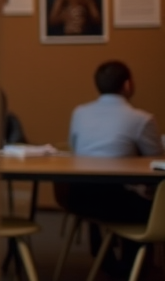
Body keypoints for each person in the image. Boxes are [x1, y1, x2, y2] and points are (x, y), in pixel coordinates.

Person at [57, 61, 163, 268]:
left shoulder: (79, 112)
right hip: (119, 203)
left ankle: (103, 256)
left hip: (77, 197)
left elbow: (75, 149)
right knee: (147, 201)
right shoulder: (142, 119)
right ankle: (134, 267)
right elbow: (156, 159)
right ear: (127, 85)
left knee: (107, 189)